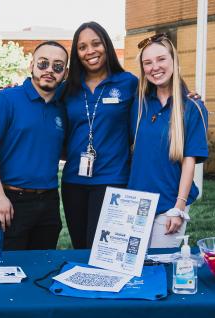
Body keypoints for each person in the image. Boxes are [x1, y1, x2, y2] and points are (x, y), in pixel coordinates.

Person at [0, 41, 68, 250]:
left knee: (42, 268)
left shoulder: (62, 108)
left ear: (65, 72)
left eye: (57, 66)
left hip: (49, 201)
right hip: (11, 200)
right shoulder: (7, 99)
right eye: (43, 63)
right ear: (31, 65)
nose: (49, 71)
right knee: (8, 270)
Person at [61, 22, 138, 249]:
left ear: (106, 45)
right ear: (76, 54)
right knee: (80, 248)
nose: (90, 51)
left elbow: (161, 94)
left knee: (104, 250)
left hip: (113, 179)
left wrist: (187, 95)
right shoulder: (67, 89)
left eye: (96, 43)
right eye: (82, 47)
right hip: (73, 181)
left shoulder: (128, 83)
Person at [128, 33, 208, 248]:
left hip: (168, 206)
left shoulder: (193, 108)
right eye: (148, 62)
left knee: (160, 270)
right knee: (133, 272)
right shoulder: (138, 104)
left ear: (174, 60)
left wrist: (179, 207)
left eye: (161, 59)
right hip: (135, 206)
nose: (155, 67)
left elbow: (189, 161)